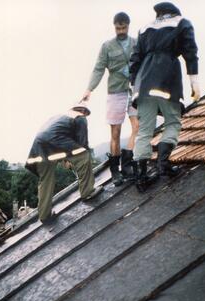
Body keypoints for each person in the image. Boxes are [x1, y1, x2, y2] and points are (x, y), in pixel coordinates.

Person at [130, 1, 200, 191]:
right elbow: (190, 52)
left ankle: (141, 177)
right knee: (173, 122)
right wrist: (194, 82)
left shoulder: (145, 28)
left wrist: (134, 86)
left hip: (143, 83)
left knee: (144, 130)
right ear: (174, 12)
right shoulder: (182, 22)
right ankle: (164, 165)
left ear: (158, 14)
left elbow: (135, 59)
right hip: (167, 78)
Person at [82, 12, 138, 186]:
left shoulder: (136, 43)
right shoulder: (107, 46)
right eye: (118, 27)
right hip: (116, 92)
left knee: (137, 127)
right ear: (114, 26)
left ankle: (127, 164)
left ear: (128, 26)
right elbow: (98, 69)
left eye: (123, 27)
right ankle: (115, 170)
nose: (120, 30)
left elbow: (143, 64)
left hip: (134, 91)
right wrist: (89, 89)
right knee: (115, 132)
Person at [25, 102, 103, 224]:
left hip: (39, 145)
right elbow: (82, 144)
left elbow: (54, 136)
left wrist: (65, 159)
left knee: (45, 179)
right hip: (55, 142)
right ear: (82, 110)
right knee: (84, 155)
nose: (86, 116)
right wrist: (78, 158)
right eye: (86, 113)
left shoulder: (58, 117)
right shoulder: (80, 118)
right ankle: (87, 192)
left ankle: (44, 215)